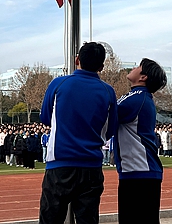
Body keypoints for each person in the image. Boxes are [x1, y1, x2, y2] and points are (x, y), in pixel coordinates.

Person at [38, 42, 118, 224]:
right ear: (101, 67)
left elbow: (46, 118)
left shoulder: (58, 84)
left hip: (60, 164)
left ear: (77, 60)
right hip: (91, 166)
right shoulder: (108, 91)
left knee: (50, 219)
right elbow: (110, 130)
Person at [115, 58, 168, 224]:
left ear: (143, 77)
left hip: (139, 171)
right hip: (138, 170)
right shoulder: (137, 97)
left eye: (138, 66)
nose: (134, 67)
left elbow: (106, 113)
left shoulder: (137, 98)